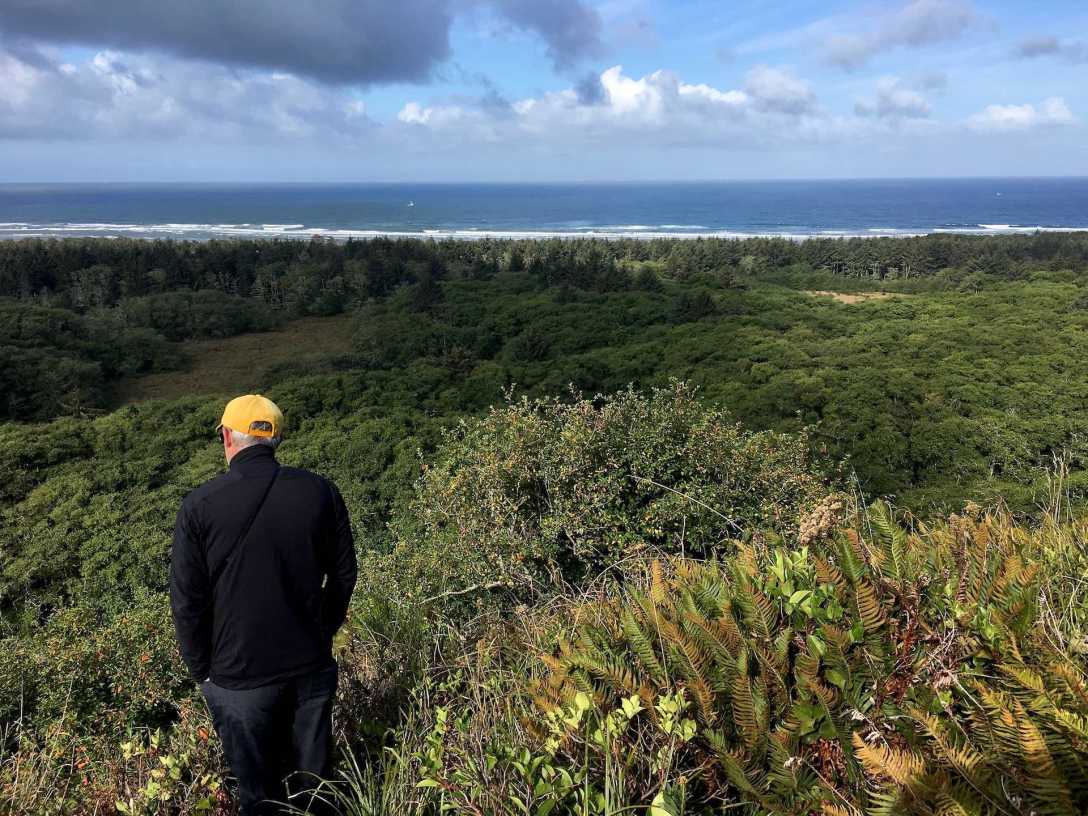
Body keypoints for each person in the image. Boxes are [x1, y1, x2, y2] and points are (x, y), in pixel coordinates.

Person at [170, 394, 357, 815]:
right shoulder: (320, 491)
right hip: (310, 664)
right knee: (316, 789)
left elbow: (187, 601)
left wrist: (203, 671)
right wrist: (321, 630)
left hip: (238, 678)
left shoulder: (199, 505)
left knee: (260, 797)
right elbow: (344, 574)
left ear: (226, 437)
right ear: (276, 438)